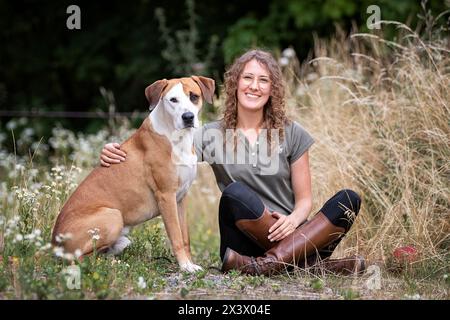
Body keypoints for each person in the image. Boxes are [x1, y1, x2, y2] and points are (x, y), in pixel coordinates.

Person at [100, 49, 365, 276]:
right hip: (245, 239)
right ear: (235, 84)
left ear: (273, 88)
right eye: (247, 78)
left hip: (294, 234)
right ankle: (300, 264)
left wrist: (293, 220)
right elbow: (154, 155)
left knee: (348, 199)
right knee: (234, 193)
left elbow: (305, 200)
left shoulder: (292, 133)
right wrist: (115, 151)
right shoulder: (208, 135)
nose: (254, 86)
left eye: (263, 80)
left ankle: (268, 264)